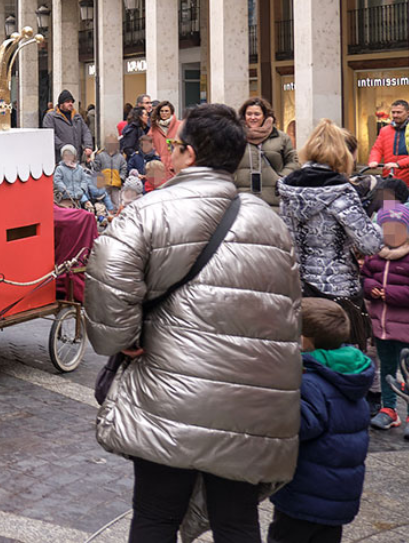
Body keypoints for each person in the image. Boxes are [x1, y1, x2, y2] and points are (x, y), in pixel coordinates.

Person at [84, 103, 300, 540]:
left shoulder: (150, 210)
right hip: (251, 401)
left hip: (171, 391)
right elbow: (288, 309)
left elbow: (107, 277)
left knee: (156, 513)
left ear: (189, 153)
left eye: (176, 145)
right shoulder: (271, 223)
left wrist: (123, 338)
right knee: (237, 520)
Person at [268, 299, 373, 543]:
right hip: (338, 495)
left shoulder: (311, 381)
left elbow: (298, 426)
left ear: (304, 339)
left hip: (305, 495)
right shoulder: (348, 373)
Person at [280, 120, 384, 348]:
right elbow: (370, 244)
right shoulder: (341, 191)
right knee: (340, 358)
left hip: (298, 286)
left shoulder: (288, 189)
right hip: (337, 289)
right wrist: (378, 227)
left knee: (305, 354)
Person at [362, 202, 409, 436]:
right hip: (382, 326)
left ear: (408, 230)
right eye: (387, 229)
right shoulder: (375, 257)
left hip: (408, 327)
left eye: (398, 229)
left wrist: (388, 294)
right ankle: (389, 409)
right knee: (386, 368)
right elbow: (365, 278)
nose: (393, 234)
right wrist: (371, 288)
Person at [234, 97, 299, 208]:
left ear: (264, 116)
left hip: (273, 201)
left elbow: (293, 162)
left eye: (257, 114)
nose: (253, 117)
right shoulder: (235, 138)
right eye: (249, 114)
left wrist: (282, 177)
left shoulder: (281, 137)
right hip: (243, 201)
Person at [55, 144, 115, 213]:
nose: (68, 157)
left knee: (80, 212)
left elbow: (84, 180)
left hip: (78, 198)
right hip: (65, 197)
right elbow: (57, 180)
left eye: (70, 155)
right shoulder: (60, 169)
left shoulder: (79, 168)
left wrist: (82, 189)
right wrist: (63, 188)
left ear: (74, 156)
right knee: (67, 213)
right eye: (65, 155)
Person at [370, 99, 409, 188]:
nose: (395, 115)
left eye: (399, 112)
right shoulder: (385, 130)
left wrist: (399, 164)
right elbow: (377, 149)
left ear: (408, 113)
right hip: (389, 180)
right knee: (387, 198)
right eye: (393, 112)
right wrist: (374, 160)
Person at [41, 90, 93, 162]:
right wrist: (64, 147)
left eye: (71, 102)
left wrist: (88, 146)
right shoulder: (51, 116)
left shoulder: (77, 116)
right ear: (61, 103)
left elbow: (85, 131)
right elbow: (50, 135)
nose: (70, 104)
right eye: (67, 102)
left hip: (76, 158)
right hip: (60, 158)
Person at [93, 135, 127, 208]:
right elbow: (96, 168)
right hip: (104, 184)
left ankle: (116, 212)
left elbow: (124, 168)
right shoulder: (100, 155)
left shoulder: (120, 157)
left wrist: (121, 178)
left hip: (116, 184)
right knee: (104, 201)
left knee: (116, 202)